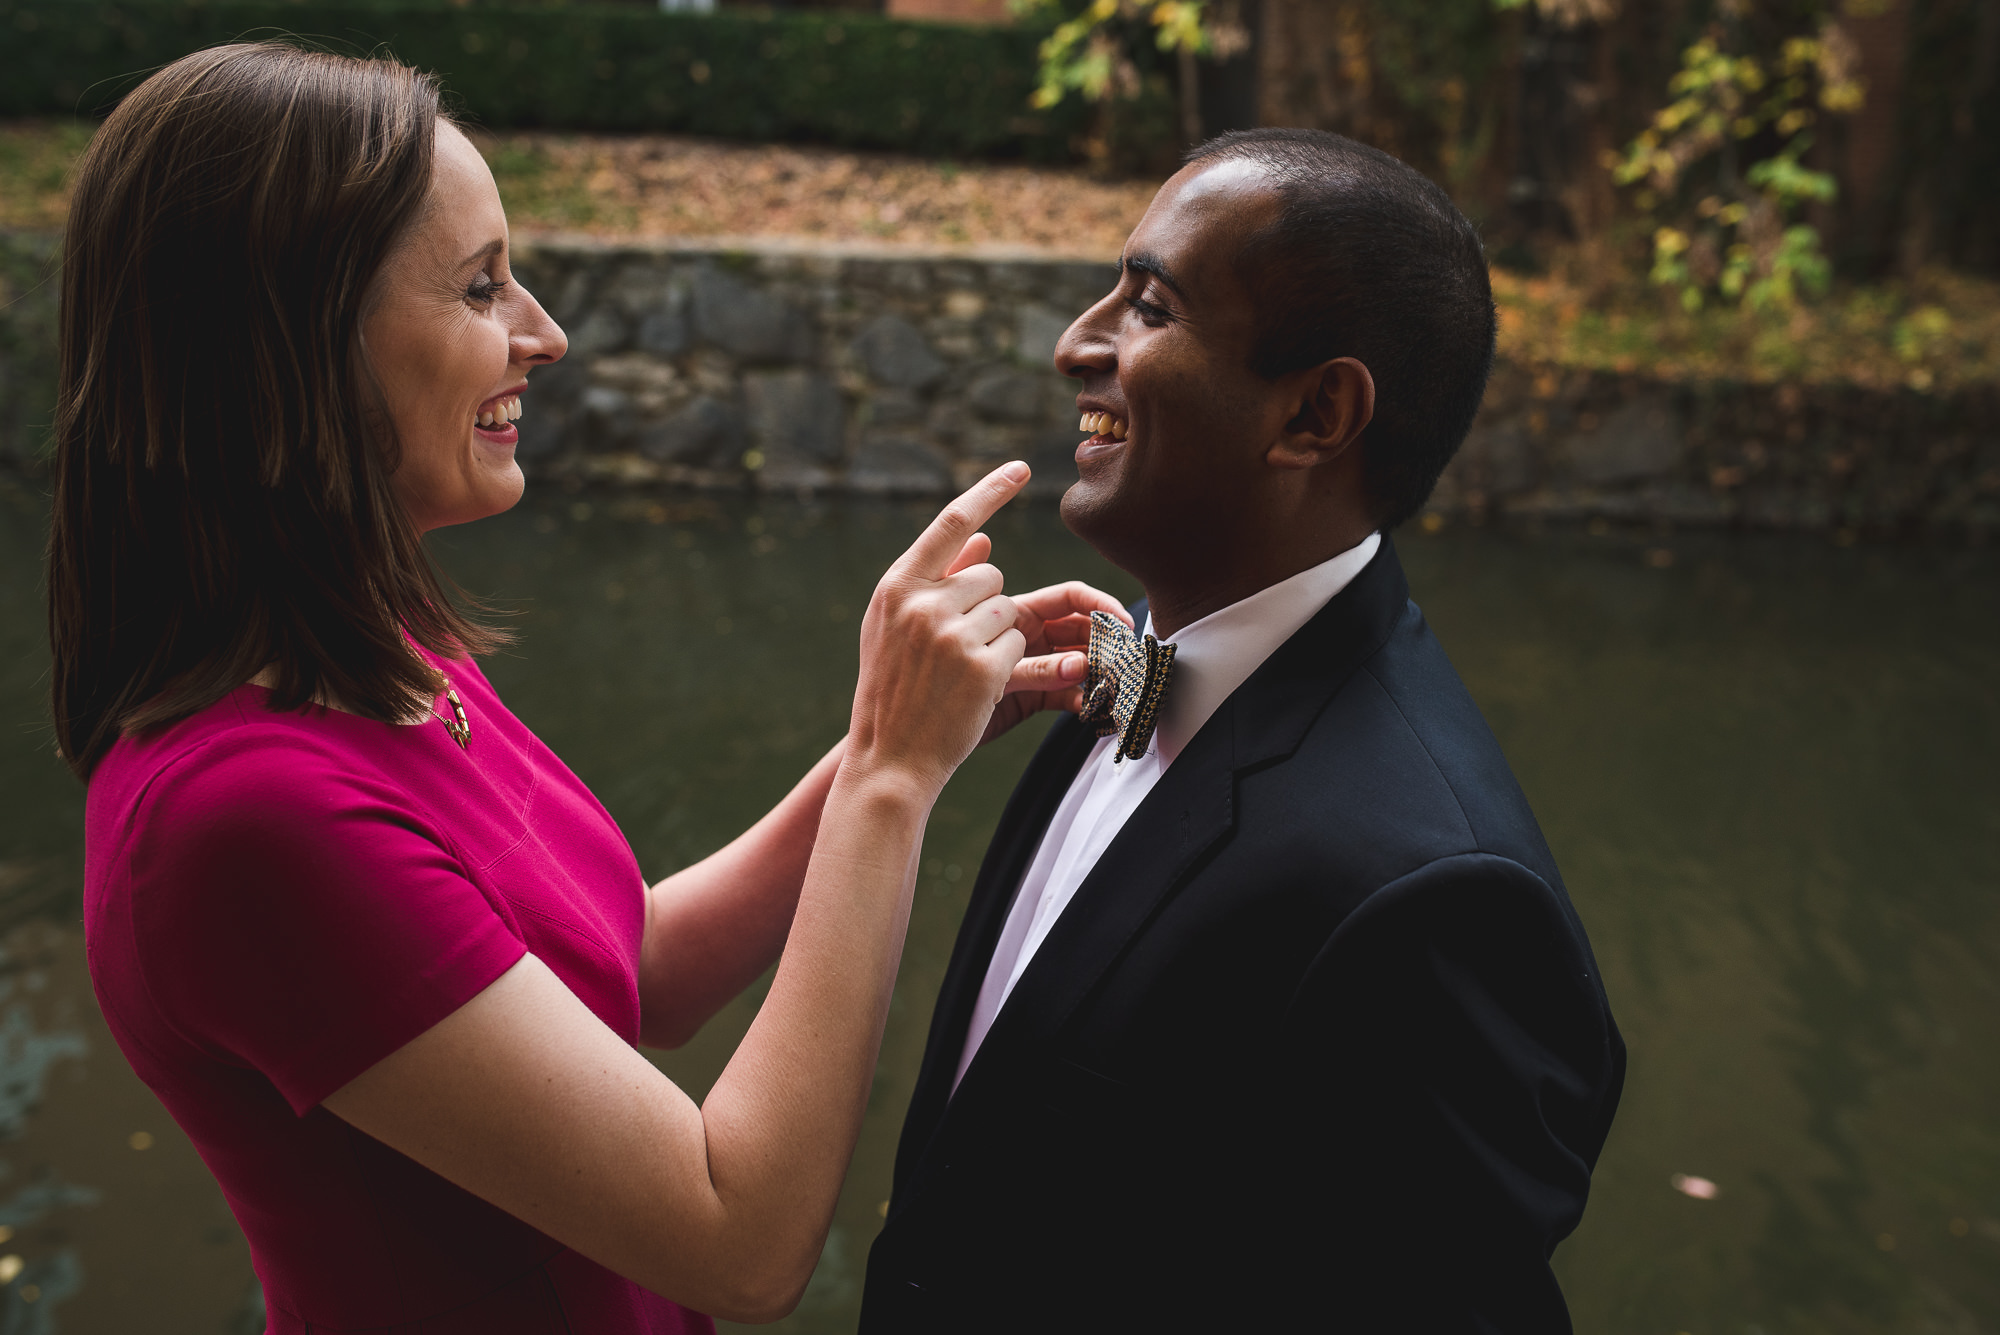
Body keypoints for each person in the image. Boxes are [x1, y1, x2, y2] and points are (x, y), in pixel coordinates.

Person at [54, 43, 1127, 1334]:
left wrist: (893, 741)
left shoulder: (381, 648)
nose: (543, 333)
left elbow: (642, 971)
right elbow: (740, 1240)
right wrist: (892, 785)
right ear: (288, 343)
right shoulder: (245, 820)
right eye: (478, 286)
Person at [861, 129, 1627, 1332]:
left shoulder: (1435, 902)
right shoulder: (1112, 668)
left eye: (1149, 308)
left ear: (1315, 413)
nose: (1078, 344)